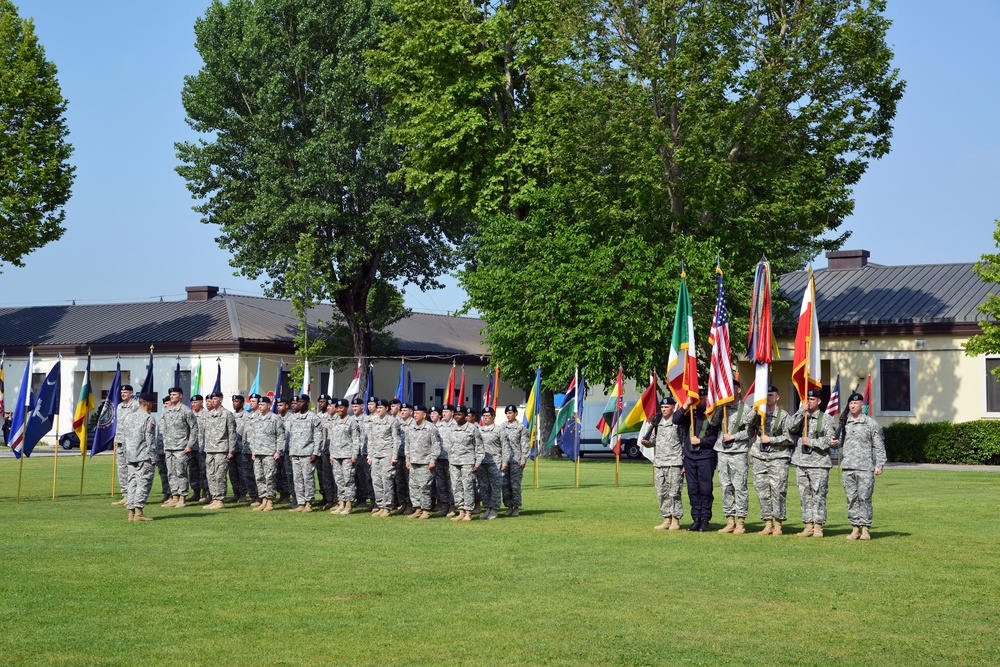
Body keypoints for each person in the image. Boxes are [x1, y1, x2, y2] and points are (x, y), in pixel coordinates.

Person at [790, 388, 838, 538]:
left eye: (812, 400)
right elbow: (790, 427)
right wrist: (800, 412)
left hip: (819, 462)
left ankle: (818, 526)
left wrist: (811, 442)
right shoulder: (801, 416)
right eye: (807, 399)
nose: (809, 402)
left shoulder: (826, 419)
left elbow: (831, 441)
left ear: (819, 401)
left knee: (818, 495)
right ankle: (808, 525)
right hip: (802, 461)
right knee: (805, 495)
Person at [839, 392, 886, 541]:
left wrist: (879, 464)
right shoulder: (844, 423)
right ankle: (855, 528)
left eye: (855, 403)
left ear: (862, 405)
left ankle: (865, 529)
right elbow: (838, 441)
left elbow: (879, 446)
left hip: (865, 467)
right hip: (848, 467)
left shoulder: (870, 424)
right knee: (851, 499)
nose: (852, 405)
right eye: (850, 403)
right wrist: (833, 442)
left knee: (864, 498)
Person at [750, 386, 794, 535]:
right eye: (765, 395)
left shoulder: (784, 416)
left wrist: (771, 440)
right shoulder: (759, 414)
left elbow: (789, 438)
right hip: (760, 457)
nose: (767, 397)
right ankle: (768, 523)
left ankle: (778, 524)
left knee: (778, 491)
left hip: (778, 458)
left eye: (770, 395)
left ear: (777, 397)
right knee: (762, 491)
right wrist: (755, 408)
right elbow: (747, 422)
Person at [674, 389, 719, 531]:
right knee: (692, 489)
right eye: (696, 397)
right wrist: (686, 404)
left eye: (701, 397)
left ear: (707, 398)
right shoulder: (691, 413)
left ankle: (705, 520)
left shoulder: (712, 414)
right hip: (690, 456)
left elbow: (715, 437)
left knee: (705, 489)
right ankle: (696, 519)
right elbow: (675, 419)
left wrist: (701, 440)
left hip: (705, 456)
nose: (698, 400)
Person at [713, 381, 754, 534]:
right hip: (722, 452)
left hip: (738, 452)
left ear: (739, 389)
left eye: (733, 388)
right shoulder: (723, 407)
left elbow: (750, 432)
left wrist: (734, 437)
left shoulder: (746, 409)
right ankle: (730, 520)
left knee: (740, 487)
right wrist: (719, 406)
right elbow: (712, 421)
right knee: (725, 487)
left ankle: (741, 522)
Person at [644, 396, 684, 531]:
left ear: (673, 408)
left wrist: (684, 463)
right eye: (662, 407)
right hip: (659, 462)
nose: (664, 409)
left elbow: (684, 442)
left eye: (666, 407)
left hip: (674, 462)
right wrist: (647, 443)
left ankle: (675, 519)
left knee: (674, 492)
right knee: (661, 492)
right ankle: (666, 518)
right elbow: (653, 441)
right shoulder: (658, 422)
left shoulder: (678, 422)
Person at [160, 387, 199, 508]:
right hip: (170, 448)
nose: (172, 396)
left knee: (181, 473)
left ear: (181, 396)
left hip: (181, 447)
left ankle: (182, 497)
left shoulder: (186, 411)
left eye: (174, 394)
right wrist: (165, 445)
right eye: (170, 394)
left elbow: (194, 429)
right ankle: (174, 496)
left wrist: (189, 445)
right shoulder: (167, 411)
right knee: (171, 473)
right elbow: (164, 430)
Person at [404, 405, 443, 519]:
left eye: (417, 413)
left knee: (424, 487)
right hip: (413, 462)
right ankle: (417, 508)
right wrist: (408, 459)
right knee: (413, 486)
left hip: (425, 463)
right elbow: (408, 445)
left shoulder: (431, 428)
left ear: (424, 415)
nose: (415, 415)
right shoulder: (410, 428)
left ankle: (426, 510)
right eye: (414, 413)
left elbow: (436, 445)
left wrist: (432, 460)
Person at [446, 406, 484, 522]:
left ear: (465, 416)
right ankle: (461, 511)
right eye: (455, 414)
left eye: (460, 414)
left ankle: (468, 512)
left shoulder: (472, 428)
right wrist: (449, 462)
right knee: (456, 487)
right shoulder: (452, 428)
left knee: (467, 487)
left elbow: (479, 448)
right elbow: (449, 447)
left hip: (468, 462)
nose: (457, 416)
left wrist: (477, 463)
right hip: (454, 462)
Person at [123, 393, 158, 522]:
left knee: (132, 483)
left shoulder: (128, 417)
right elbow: (150, 439)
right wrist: (153, 457)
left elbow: (124, 437)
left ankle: (131, 513)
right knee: (143, 484)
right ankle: (139, 512)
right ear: (148, 403)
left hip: (131, 456)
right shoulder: (148, 418)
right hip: (144, 456)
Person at [287, 394, 323, 513]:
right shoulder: (293, 417)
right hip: (296, 453)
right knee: (297, 479)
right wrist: (291, 451)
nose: (299, 404)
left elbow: (318, 436)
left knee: (308, 479)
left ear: (307, 403)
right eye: (298, 402)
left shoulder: (313, 417)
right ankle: (300, 503)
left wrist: (316, 453)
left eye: (302, 402)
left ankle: (309, 503)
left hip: (308, 453)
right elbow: (291, 436)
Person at [201, 391, 237, 510]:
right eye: (211, 399)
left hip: (222, 449)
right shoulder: (208, 415)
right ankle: (214, 498)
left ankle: (220, 499)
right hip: (210, 450)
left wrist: (231, 450)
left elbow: (231, 434)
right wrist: (204, 448)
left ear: (221, 400)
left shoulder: (227, 414)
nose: (212, 401)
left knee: (220, 475)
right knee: (210, 475)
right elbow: (205, 433)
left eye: (215, 399)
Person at [248, 396, 285, 512]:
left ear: (269, 405)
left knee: (270, 477)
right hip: (258, 453)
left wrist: (279, 451)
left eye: (262, 405)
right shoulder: (257, 418)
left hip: (270, 453)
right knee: (259, 478)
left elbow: (281, 436)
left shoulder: (275, 419)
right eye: (259, 405)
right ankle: (263, 499)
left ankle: (270, 500)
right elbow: (253, 436)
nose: (260, 406)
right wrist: (253, 451)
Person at [367, 398, 402, 517]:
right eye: (378, 408)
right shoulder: (374, 421)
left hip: (387, 454)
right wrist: (370, 455)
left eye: (380, 408)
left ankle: (387, 507)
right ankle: (380, 505)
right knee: (376, 481)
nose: (378, 409)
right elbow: (371, 440)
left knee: (387, 481)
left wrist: (394, 456)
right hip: (376, 455)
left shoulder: (393, 422)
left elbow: (396, 440)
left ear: (386, 408)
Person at [327, 398, 361, 515]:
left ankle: (348, 504)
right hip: (336, 455)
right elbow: (332, 440)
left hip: (347, 455)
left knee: (348, 480)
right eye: (337, 408)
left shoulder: (351, 422)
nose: (339, 410)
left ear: (347, 408)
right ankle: (341, 503)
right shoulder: (335, 422)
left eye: (341, 408)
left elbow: (356, 440)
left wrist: (354, 455)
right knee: (339, 480)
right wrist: (331, 455)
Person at [112, 384, 140, 507]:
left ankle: (133, 496)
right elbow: (119, 425)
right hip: (120, 442)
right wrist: (116, 441)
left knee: (131, 470)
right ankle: (125, 495)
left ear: (131, 393)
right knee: (121, 469)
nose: (123, 394)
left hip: (131, 442)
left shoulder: (135, 405)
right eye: (122, 392)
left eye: (125, 392)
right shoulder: (119, 406)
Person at [499, 405, 530, 517]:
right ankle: (509, 506)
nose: (508, 415)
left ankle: (516, 507)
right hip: (505, 461)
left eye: (510, 413)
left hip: (516, 460)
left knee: (515, 484)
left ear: (516, 413)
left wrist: (523, 460)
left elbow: (525, 445)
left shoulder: (521, 428)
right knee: (505, 484)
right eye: (507, 413)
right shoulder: (502, 427)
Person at [476, 407, 503, 520]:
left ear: (493, 417)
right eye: (484, 416)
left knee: (495, 487)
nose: (486, 418)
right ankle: (487, 508)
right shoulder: (479, 430)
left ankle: (494, 510)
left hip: (495, 463)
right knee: (483, 487)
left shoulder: (499, 430)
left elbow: (505, 447)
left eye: (488, 416)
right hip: (482, 463)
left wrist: (504, 462)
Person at [230, 394, 258, 504]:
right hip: (233, 449)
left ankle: (244, 494)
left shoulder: (247, 416)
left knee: (245, 474)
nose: (234, 403)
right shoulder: (231, 415)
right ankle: (236, 493)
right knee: (233, 473)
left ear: (242, 403)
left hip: (245, 449)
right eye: (233, 402)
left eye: (237, 402)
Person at [432, 403, 457, 517]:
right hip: (439, 459)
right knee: (441, 484)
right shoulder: (439, 427)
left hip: (451, 460)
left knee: (451, 484)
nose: (444, 414)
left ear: (452, 413)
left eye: (446, 412)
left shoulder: (456, 426)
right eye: (443, 412)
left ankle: (452, 506)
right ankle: (444, 505)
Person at [314, 393, 337, 509]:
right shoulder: (318, 417)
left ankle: (335, 499)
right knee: (323, 476)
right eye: (321, 402)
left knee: (334, 477)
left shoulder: (336, 418)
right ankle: (326, 498)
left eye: (327, 403)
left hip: (333, 451)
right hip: (321, 450)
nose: (323, 405)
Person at [392, 402, 414, 515]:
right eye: (402, 410)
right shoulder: (397, 423)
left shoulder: (414, 424)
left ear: (411, 412)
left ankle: (410, 504)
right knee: (399, 482)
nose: (402, 412)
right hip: (398, 456)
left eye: (405, 410)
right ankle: (403, 503)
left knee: (409, 482)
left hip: (409, 458)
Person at [187, 394, 210, 504]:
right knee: (193, 471)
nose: (194, 404)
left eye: (196, 402)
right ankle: (195, 492)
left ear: (201, 402)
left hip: (203, 447)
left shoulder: (207, 415)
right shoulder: (190, 415)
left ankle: (205, 493)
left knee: (204, 471)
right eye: (192, 403)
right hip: (192, 448)